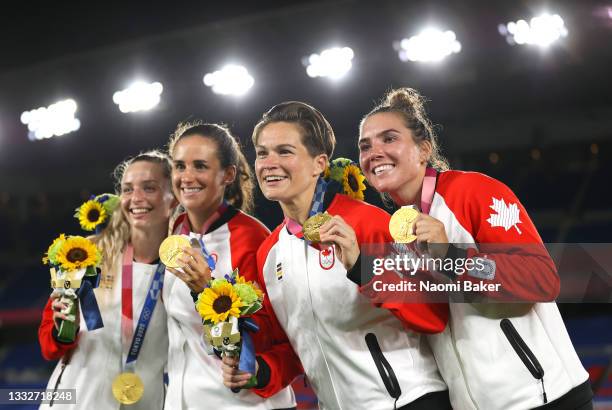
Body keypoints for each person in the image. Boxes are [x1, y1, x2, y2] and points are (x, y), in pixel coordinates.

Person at [357, 87, 593, 410]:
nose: (374, 153)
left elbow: (541, 278)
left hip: (545, 396)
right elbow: (433, 318)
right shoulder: (397, 234)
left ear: (423, 149)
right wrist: (362, 267)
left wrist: (452, 256)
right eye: (365, 145)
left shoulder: (473, 192)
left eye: (389, 139)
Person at [223, 101, 451, 410]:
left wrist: (362, 268)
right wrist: (260, 371)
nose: (269, 163)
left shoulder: (367, 223)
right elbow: (294, 348)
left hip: (409, 401)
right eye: (262, 153)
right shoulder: (270, 251)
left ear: (319, 164)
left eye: (285, 151)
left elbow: (431, 315)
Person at [163, 121, 296, 410]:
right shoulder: (176, 231)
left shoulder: (252, 238)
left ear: (228, 174)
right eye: (180, 166)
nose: (187, 177)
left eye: (200, 166)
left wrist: (206, 291)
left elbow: (277, 337)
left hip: (244, 405)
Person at [39, 151, 176, 409]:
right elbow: (49, 345)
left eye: (149, 188)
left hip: (144, 401)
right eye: (127, 189)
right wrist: (62, 329)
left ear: (174, 196)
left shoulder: (185, 268)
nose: (136, 198)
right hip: (76, 400)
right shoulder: (87, 254)